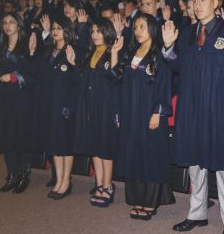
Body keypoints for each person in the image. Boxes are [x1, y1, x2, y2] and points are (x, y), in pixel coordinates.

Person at [162, 0, 224, 234]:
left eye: (204, 0)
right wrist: (168, 47)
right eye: (195, 0)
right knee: (195, 165)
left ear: (216, 2)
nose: (198, 5)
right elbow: (178, 66)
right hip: (192, 109)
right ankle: (197, 214)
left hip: (220, 110)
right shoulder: (188, 33)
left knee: (223, 167)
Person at [112, 13, 175, 220]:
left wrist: (158, 112)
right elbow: (119, 83)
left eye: (143, 26)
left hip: (150, 113)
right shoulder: (131, 53)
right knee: (134, 154)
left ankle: (150, 202)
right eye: (136, 27)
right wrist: (121, 113)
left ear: (152, 29)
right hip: (131, 113)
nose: (138, 31)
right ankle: (137, 199)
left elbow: (165, 86)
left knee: (150, 155)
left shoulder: (159, 55)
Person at [32, 16, 79, 200]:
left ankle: (67, 180)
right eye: (53, 28)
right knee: (54, 144)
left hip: (66, 106)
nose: (55, 31)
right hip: (50, 105)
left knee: (65, 145)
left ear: (66, 30)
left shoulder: (73, 50)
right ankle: (58, 179)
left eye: (59, 27)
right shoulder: (49, 52)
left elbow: (78, 82)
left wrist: (74, 64)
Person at [75, 18, 119, 207]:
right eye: (92, 31)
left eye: (99, 31)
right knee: (95, 146)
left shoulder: (112, 52)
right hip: (90, 106)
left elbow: (116, 79)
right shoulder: (90, 53)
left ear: (107, 32)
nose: (94, 35)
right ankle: (99, 183)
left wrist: (115, 54)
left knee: (105, 147)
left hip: (107, 107)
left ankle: (108, 186)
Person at [0, 12, 37, 194]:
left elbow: (33, 74)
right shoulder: (1, 46)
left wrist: (13, 77)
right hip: (4, 98)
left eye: (11, 22)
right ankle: (12, 175)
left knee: (21, 135)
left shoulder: (27, 45)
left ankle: (24, 175)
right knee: (7, 136)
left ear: (18, 25)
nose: (7, 26)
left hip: (22, 98)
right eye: (4, 22)